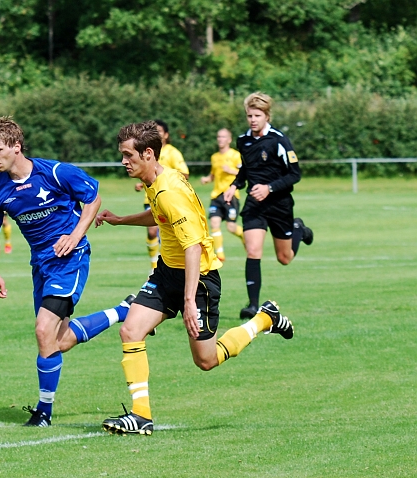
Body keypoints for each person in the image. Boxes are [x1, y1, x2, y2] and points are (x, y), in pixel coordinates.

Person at [94, 121, 294, 435]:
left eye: (128, 155)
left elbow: (194, 247)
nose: (123, 162)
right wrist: (121, 220)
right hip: (167, 272)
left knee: (206, 360)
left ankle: (264, 320)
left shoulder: (171, 190)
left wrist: (188, 301)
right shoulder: (155, 179)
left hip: (198, 280)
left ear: (148, 153)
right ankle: (141, 415)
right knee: (131, 330)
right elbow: (161, 216)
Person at [0, 117, 134, 427]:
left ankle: (44, 413)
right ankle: (123, 310)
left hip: (71, 259)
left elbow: (93, 198)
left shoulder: (54, 172)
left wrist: (75, 235)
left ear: (16, 147)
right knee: (57, 341)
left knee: (42, 330)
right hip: (40, 264)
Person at [223, 93, 314, 320]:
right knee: (253, 250)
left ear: (267, 116)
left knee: (285, 258)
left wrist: (269, 188)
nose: (253, 120)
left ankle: (298, 229)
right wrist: (234, 185)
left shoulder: (279, 140)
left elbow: (295, 174)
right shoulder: (243, 140)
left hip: (279, 205)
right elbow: (245, 168)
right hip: (254, 204)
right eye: (249, 116)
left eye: (257, 115)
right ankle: (252, 305)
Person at [134, 119, 189, 269]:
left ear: (166, 135)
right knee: (152, 232)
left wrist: (165, 180)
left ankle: (171, 264)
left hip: (169, 199)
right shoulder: (147, 151)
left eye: (159, 132)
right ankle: (154, 267)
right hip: (151, 198)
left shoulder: (173, 152)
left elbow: (185, 173)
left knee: (170, 234)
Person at [200, 128, 245, 262]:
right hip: (216, 195)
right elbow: (213, 174)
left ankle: (245, 236)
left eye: (224, 137)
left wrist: (230, 170)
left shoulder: (235, 155)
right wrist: (207, 179)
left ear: (229, 140)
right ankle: (220, 254)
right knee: (214, 223)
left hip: (231, 195)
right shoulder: (215, 157)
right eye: (219, 137)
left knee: (231, 227)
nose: (220, 139)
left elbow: (243, 174)